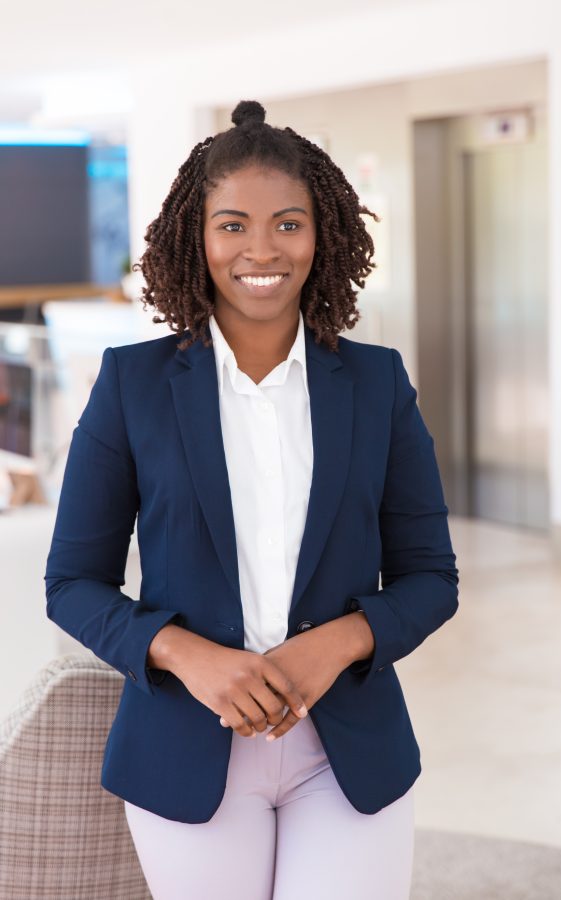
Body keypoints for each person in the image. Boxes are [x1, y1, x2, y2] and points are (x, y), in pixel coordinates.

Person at [44, 99, 459, 900]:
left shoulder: (376, 384)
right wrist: (186, 655)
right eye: (232, 225)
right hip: (185, 751)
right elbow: (72, 583)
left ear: (322, 235)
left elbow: (431, 577)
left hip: (348, 752)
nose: (261, 249)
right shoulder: (133, 385)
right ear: (195, 241)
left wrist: (336, 643)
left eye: (288, 224)